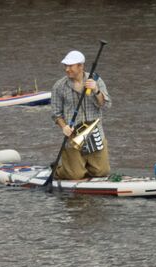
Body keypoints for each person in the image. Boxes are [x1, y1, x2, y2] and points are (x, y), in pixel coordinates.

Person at [51, 50, 111, 180]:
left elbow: (105, 105)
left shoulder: (96, 80)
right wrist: (64, 127)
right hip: (73, 136)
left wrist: (96, 90)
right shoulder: (59, 86)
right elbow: (56, 114)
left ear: (81, 66)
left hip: (95, 134)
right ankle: (58, 169)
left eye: (70, 66)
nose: (67, 69)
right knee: (75, 175)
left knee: (102, 171)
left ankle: (84, 166)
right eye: (65, 66)